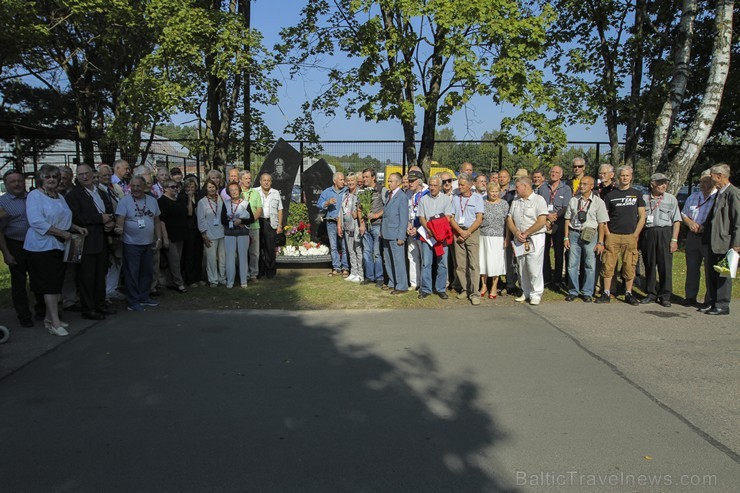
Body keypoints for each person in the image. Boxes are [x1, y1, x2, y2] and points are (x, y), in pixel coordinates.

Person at [25, 165, 88, 335]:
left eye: (54, 176)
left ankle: (49, 318)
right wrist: (62, 233)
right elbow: (36, 222)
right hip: (41, 247)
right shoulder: (34, 196)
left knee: (56, 284)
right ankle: (54, 322)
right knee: (49, 286)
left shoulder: (59, 196)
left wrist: (75, 227)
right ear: (41, 179)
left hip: (59, 245)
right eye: (47, 177)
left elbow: (63, 218)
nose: (51, 179)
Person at [64, 164, 116, 320]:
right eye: (81, 175)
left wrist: (110, 223)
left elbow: (109, 211)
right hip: (86, 241)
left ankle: (100, 304)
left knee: (101, 275)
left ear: (93, 175)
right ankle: (88, 308)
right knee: (87, 277)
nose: (84, 177)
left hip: (102, 240)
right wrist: (99, 219)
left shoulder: (101, 192)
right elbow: (75, 218)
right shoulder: (74, 195)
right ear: (77, 177)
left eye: (87, 173)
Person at [594, 166, 645, 305]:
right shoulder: (611, 195)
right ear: (618, 177)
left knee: (629, 265)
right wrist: (608, 234)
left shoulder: (637, 194)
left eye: (627, 176)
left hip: (630, 236)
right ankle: (606, 293)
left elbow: (642, 216)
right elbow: (604, 217)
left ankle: (628, 293)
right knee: (608, 265)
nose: (624, 178)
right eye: (622, 175)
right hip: (613, 236)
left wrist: (635, 234)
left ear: (631, 177)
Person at [0, 169, 45, 327]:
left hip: (36, 243)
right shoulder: (2, 203)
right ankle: (24, 315)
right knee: (19, 282)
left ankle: (42, 311)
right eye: (13, 182)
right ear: (6, 185)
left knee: (38, 278)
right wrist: (6, 252)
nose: (17, 184)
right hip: (15, 244)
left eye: (19, 180)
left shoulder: (33, 197)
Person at [114, 176, 161, 312]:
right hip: (131, 243)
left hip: (148, 243)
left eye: (138, 186)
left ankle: (144, 297)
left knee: (146, 272)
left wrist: (158, 239)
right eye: (133, 186)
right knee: (132, 273)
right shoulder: (125, 201)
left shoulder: (152, 201)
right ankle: (133, 301)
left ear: (144, 187)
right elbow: (120, 219)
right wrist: (120, 228)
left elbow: (157, 220)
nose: (135, 189)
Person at [700, 164, 739, 316]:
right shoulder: (719, 193)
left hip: (725, 241)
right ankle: (711, 301)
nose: (710, 178)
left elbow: (738, 220)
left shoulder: (733, 193)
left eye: (712, 175)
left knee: (724, 274)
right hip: (712, 239)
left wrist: (737, 243)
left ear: (719, 176)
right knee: (711, 272)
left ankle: (722, 304)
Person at [639, 173, 682, 307]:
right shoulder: (644, 198)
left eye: (665, 183)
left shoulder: (671, 199)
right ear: (652, 184)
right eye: (660, 182)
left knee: (665, 266)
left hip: (665, 232)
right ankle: (651, 293)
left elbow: (676, 220)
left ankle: (665, 295)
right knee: (650, 264)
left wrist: (674, 239)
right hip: (648, 232)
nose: (664, 185)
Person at [563, 176, 608, 302]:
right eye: (580, 184)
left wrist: (600, 242)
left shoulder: (598, 202)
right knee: (572, 265)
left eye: (585, 184)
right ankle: (573, 291)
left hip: (590, 235)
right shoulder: (573, 200)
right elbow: (567, 219)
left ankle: (587, 292)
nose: (581, 186)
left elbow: (602, 224)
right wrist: (566, 237)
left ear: (591, 186)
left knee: (590, 265)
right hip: (574, 233)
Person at [506, 176, 548, 305]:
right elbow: (509, 218)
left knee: (534, 266)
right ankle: (526, 291)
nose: (515, 189)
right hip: (519, 239)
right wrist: (516, 232)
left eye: (517, 186)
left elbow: (542, 221)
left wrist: (527, 232)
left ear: (525, 186)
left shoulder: (539, 200)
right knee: (522, 266)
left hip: (534, 238)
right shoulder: (516, 200)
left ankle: (536, 293)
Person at [681, 174, 716, 306]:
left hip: (708, 237)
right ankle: (690, 296)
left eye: (706, 181)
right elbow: (684, 213)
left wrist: (705, 227)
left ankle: (709, 299)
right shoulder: (693, 197)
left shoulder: (717, 197)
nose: (703, 184)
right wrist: (690, 223)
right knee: (692, 267)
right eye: (701, 182)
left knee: (709, 269)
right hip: (692, 237)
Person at [450, 172, 485, 305]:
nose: (460, 187)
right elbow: (450, 217)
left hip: (472, 232)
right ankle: (465, 289)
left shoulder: (477, 198)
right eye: (459, 184)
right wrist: (459, 231)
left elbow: (479, 218)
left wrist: (468, 232)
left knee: (473, 264)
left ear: (470, 185)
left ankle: (475, 292)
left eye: (463, 184)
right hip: (458, 232)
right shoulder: (455, 198)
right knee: (460, 264)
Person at [417, 175, 454, 299]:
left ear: (439, 186)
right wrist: (429, 229)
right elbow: (421, 217)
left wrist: (437, 231)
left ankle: (441, 288)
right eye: (430, 185)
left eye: (434, 185)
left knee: (442, 263)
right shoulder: (423, 199)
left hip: (441, 237)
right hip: (427, 236)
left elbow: (448, 217)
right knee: (426, 263)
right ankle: (426, 289)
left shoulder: (446, 199)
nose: (432, 188)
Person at [537, 165, 573, 290]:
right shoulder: (543, 188)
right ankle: (546, 278)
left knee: (558, 252)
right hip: (544, 222)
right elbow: (539, 205)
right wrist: (547, 217)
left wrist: (555, 217)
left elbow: (566, 207)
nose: (554, 174)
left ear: (561, 175)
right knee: (544, 251)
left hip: (559, 222)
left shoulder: (566, 189)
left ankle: (558, 279)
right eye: (552, 172)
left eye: (557, 172)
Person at [97, 164, 125, 301]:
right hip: (106, 231)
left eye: (108, 175)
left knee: (116, 261)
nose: (107, 177)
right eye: (104, 175)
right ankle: (106, 291)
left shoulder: (111, 189)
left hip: (116, 230)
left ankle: (112, 289)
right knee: (109, 262)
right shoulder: (98, 191)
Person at [479, 182, 510, 299]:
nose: (494, 194)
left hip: (498, 237)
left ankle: (494, 286)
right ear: (487, 191)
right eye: (492, 191)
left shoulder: (504, 204)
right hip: (483, 236)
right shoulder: (482, 203)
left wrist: (507, 237)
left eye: (497, 191)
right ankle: (484, 285)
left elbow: (508, 222)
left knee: (495, 263)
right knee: (484, 261)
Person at [158, 178, 189, 293]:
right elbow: (161, 221)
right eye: (172, 187)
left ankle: (171, 282)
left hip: (180, 234)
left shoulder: (178, 200)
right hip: (169, 235)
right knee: (174, 260)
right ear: (165, 188)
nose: (175, 189)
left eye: (176, 186)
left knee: (177, 259)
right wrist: (165, 238)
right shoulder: (162, 201)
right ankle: (179, 283)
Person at [381, 173, 409, 294]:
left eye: (391, 181)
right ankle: (392, 282)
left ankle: (401, 285)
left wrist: (401, 236)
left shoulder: (402, 197)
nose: (389, 183)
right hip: (387, 232)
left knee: (398, 261)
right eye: (388, 181)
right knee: (388, 260)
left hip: (396, 234)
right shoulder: (389, 195)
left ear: (398, 183)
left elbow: (403, 218)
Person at [221, 182, 253, 288]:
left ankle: (244, 280)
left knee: (243, 257)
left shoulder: (246, 203)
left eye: (236, 189)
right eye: (231, 190)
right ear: (228, 192)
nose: (234, 192)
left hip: (243, 233)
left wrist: (241, 221)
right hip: (229, 234)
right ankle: (230, 281)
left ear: (239, 191)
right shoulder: (225, 203)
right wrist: (232, 221)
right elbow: (222, 220)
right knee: (230, 258)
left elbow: (251, 218)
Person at [360, 168, 387, 287]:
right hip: (366, 226)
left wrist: (376, 215)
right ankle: (369, 276)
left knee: (377, 253)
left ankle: (379, 277)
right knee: (366, 252)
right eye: (363, 177)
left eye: (366, 177)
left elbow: (388, 207)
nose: (364, 179)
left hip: (377, 225)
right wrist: (361, 224)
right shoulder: (362, 191)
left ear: (373, 177)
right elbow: (359, 208)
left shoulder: (381, 190)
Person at [318, 172, 348, 276]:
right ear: (335, 181)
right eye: (341, 180)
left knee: (345, 245)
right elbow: (319, 205)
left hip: (344, 222)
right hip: (331, 222)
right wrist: (327, 202)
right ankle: (336, 267)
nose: (343, 182)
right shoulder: (327, 192)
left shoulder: (347, 191)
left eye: (344, 179)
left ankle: (345, 267)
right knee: (334, 246)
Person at [197, 179, 226, 286]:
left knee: (223, 257)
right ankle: (213, 279)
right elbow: (200, 219)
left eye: (213, 187)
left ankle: (222, 277)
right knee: (211, 258)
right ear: (206, 189)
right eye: (209, 187)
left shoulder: (221, 199)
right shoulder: (202, 202)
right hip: (210, 234)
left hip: (222, 232)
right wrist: (204, 234)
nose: (212, 189)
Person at [257, 172, 283, 279]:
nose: (266, 182)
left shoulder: (275, 193)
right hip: (258, 222)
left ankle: (270, 271)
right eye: (264, 180)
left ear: (271, 182)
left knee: (270, 249)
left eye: (268, 180)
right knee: (257, 248)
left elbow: (280, 209)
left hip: (270, 223)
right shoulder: (255, 192)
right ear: (260, 181)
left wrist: (279, 225)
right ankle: (259, 271)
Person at [180, 177, 205, 287]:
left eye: (192, 186)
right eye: (188, 187)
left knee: (198, 254)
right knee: (189, 254)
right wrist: (190, 199)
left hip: (198, 228)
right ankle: (190, 279)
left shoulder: (199, 197)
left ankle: (198, 277)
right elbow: (189, 213)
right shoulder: (182, 197)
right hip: (189, 229)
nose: (190, 189)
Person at [406, 170, 428, 290]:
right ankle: (414, 283)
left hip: (423, 230)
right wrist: (408, 225)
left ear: (419, 181)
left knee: (424, 258)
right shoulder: (409, 193)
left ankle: (424, 284)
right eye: (409, 181)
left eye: (412, 181)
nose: (410, 183)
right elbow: (408, 211)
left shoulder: (427, 193)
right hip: (411, 230)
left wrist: (418, 228)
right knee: (412, 256)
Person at [341, 172, 364, 283]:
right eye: (348, 181)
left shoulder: (360, 193)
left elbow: (363, 208)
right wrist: (340, 225)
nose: (350, 183)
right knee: (350, 251)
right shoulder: (345, 194)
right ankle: (353, 272)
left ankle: (360, 273)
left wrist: (358, 213)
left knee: (358, 250)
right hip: (346, 226)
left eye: (352, 181)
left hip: (356, 226)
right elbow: (341, 211)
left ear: (356, 182)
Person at [240, 170, 263, 282]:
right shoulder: (237, 192)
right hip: (240, 227)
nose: (248, 181)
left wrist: (250, 220)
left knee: (254, 252)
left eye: (250, 178)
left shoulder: (255, 193)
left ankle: (253, 274)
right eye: (246, 179)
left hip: (254, 226)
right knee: (242, 252)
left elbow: (259, 210)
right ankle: (243, 273)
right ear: (241, 180)